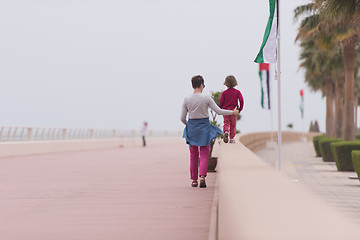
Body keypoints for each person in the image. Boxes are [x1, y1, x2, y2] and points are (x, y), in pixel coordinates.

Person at [181, 75, 239, 188]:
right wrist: (232, 112)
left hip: (192, 127)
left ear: (192, 85)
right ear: (202, 85)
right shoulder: (206, 98)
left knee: (193, 155)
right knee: (204, 153)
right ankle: (202, 176)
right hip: (204, 127)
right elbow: (219, 111)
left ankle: (194, 180)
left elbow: (182, 118)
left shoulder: (187, 99)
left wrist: (189, 125)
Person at [219, 75, 244, 144]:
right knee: (233, 125)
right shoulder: (237, 92)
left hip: (226, 111)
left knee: (226, 123)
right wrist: (239, 109)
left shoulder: (224, 93)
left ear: (226, 83)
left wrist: (220, 110)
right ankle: (232, 139)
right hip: (234, 110)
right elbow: (241, 100)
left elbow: (221, 102)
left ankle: (226, 131)